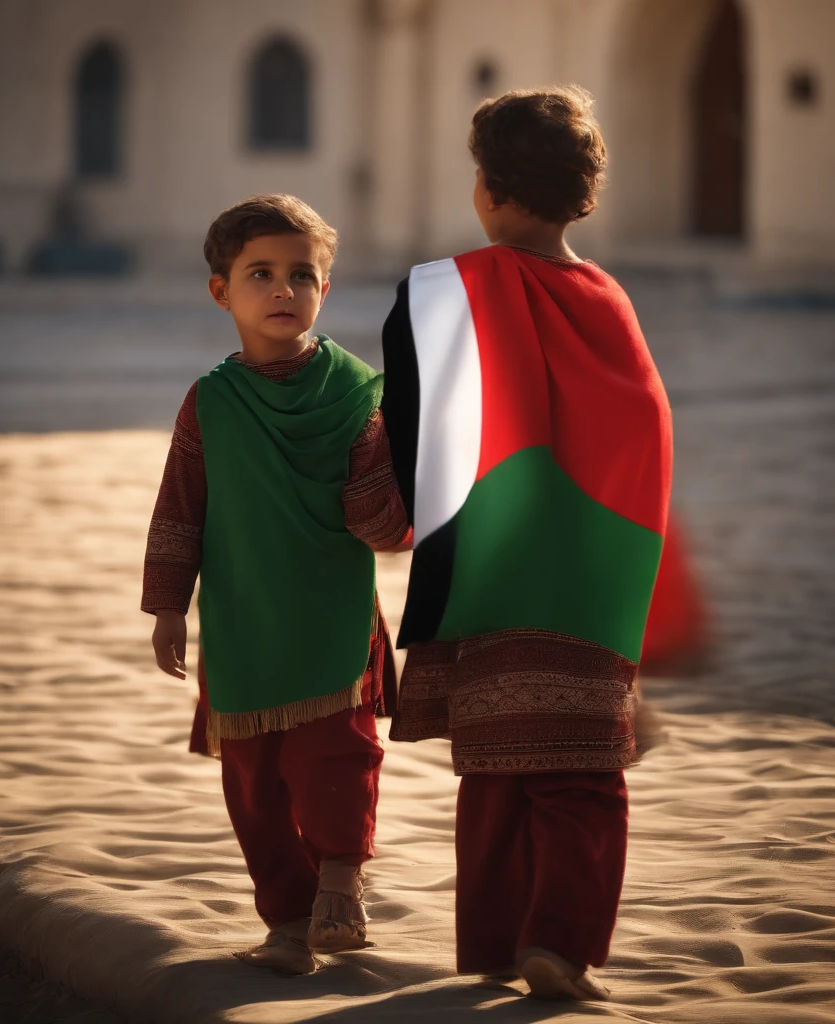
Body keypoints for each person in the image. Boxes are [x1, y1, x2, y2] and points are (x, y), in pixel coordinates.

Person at [381, 87, 673, 1001]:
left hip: (490, 576)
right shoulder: (609, 299)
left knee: (498, 768)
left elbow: (412, 420)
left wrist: (395, 518)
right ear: (583, 194)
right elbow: (645, 431)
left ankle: (501, 945)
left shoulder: (448, 288)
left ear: (490, 192)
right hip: (593, 579)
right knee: (582, 774)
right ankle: (560, 943)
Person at [141, 194, 406, 976]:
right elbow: (180, 510)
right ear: (221, 289)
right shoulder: (211, 403)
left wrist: (389, 458)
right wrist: (166, 608)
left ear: (327, 286)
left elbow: (383, 526)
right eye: (262, 274)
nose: (284, 290)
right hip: (241, 622)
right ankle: (288, 925)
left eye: (303, 275)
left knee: (338, 759)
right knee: (252, 785)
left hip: (332, 617)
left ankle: (340, 885)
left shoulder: (361, 395)